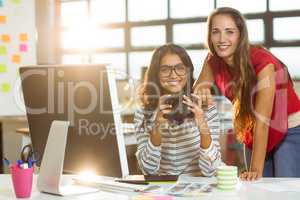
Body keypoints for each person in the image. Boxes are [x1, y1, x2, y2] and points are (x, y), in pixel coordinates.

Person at [194, 7, 300, 180]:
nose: (222, 39)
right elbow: (197, 89)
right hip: (254, 129)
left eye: (229, 32)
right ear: (209, 36)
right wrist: (202, 90)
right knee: (258, 192)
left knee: (282, 189)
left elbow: (263, 123)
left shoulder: (263, 63)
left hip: (288, 128)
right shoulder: (213, 59)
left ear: (240, 35)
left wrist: (255, 173)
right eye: (216, 32)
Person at [134, 43, 223, 176]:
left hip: (198, 188)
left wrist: (202, 123)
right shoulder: (143, 113)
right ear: (156, 74)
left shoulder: (205, 107)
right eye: (165, 69)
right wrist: (157, 126)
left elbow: (212, 170)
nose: (173, 75)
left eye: (180, 68)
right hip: (164, 188)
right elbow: (148, 170)